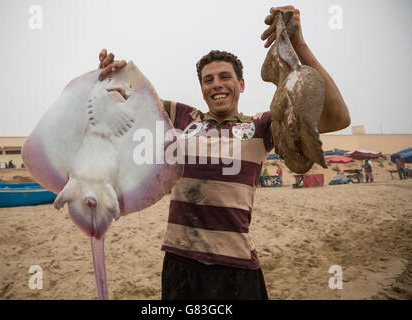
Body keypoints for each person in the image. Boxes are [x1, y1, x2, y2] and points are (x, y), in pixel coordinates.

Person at [97, 5, 350, 300]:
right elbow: (127, 99)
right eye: (208, 80)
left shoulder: (263, 125)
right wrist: (113, 76)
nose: (217, 84)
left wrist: (299, 45)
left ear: (241, 84)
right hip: (180, 265)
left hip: (237, 269)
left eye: (225, 77)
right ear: (202, 89)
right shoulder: (181, 118)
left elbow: (337, 117)